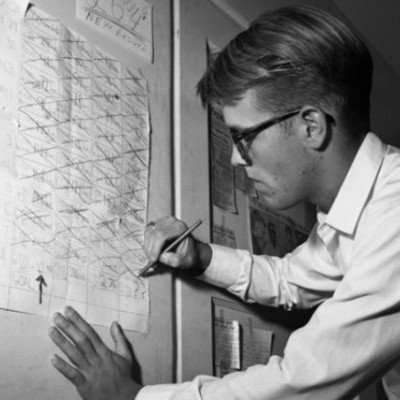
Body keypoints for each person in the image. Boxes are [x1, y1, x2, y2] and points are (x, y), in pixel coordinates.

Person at [48, 4, 400, 400]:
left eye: (242, 136)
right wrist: (200, 257)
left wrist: (132, 398)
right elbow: (290, 281)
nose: (235, 158)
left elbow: (301, 378)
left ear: (310, 126)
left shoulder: (394, 214)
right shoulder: (356, 210)